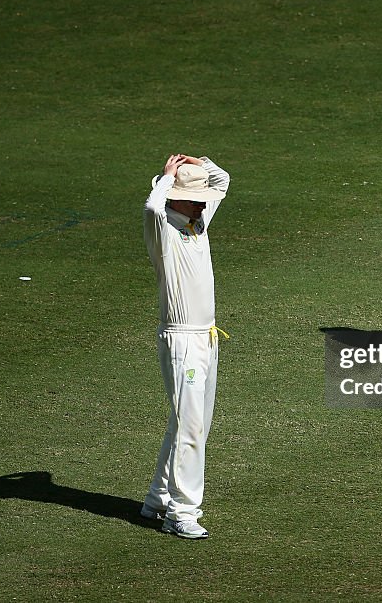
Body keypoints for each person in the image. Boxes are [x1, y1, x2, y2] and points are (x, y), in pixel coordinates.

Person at [140, 153, 230, 539]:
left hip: (207, 337)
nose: (202, 203)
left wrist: (199, 162)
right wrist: (167, 177)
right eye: (194, 197)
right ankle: (183, 513)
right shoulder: (163, 229)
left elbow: (222, 181)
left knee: (192, 424)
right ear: (174, 195)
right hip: (180, 340)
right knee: (190, 425)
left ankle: (156, 500)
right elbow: (150, 205)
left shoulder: (197, 221)